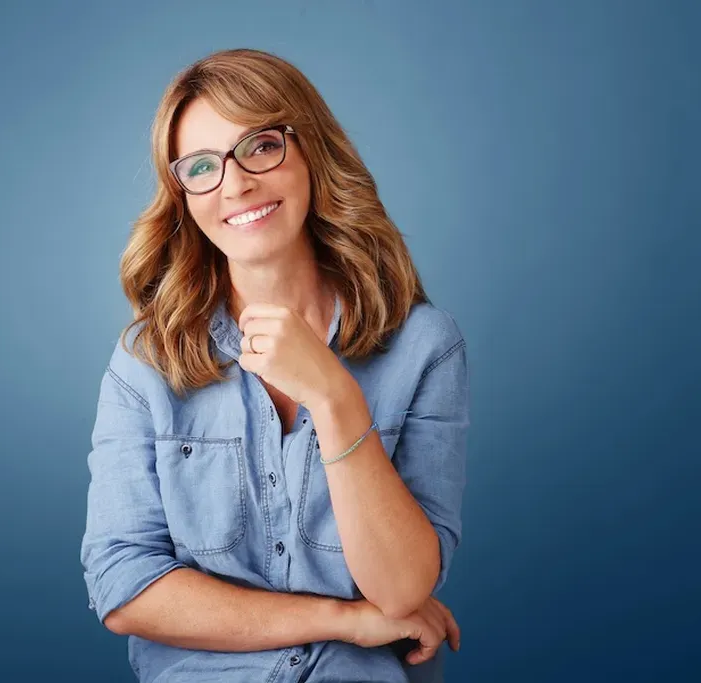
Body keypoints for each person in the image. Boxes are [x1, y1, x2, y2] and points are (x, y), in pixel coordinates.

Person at [80, 47, 470, 683]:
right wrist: (342, 620)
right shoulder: (146, 363)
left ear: (310, 149)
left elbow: (401, 590)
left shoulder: (424, 345)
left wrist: (335, 398)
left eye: (260, 147)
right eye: (201, 167)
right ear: (183, 197)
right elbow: (123, 586)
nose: (235, 184)